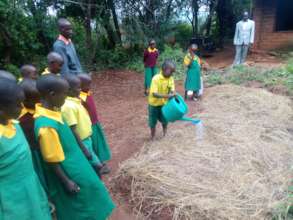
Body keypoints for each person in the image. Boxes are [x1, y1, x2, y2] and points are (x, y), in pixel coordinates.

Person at [35, 74, 115, 220]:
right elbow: (52, 160)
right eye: (64, 94)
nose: (66, 97)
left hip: (77, 162)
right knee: (80, 204)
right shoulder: (46, 126)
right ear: (52, 94)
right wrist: (66, 181)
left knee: (93, 191)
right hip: (68, 169)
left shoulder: (54, 111)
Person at [0, 78, 51, 220]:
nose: (22, 108)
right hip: (11, 198)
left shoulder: (14, 124)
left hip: (31, 185)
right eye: (17, 105)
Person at [61, 74, 109, 176]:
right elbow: (72, 129)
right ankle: (97, 169)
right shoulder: (68, 107)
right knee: (89, 157)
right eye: (78, 87)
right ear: (69, 90)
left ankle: (98, 168)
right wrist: (83, 148)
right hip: (81, 140)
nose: (80, 89)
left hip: (86, 137)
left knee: (91, 154)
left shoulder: (75, 101)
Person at [18, 79, 48, 191]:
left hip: (43, 147)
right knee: (40, 174)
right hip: (33, 151)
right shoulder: (21, 117)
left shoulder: (39, 109)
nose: (39, 102)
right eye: (36, 100)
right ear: (24, 100)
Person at [78, 74, 111, 171]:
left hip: (95, 123)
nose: (90, 86)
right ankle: (99, 164)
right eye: (87, 84)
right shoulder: (80, 98)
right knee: (94, 145)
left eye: (90, 84)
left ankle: (102, 162)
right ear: (79, 86)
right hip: (89, 125)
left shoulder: (87, 93)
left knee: (99, 144)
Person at [148, 60, 176, 140]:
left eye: (173, 72)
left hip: (164, 104)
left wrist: (172, 94)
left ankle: (164, 134)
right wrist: (168, 95)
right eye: (171, 72)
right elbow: (154, 94)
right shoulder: (156, 79)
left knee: (165, 120)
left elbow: (172, 89)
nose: (172, 74)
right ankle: (152, 136)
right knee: (152, 122)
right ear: (164, 69)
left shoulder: (170, 78)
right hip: (154, 104)